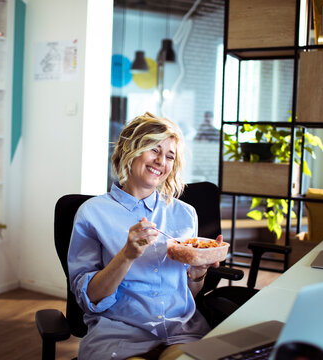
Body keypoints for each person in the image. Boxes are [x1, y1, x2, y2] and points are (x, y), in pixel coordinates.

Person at [68, 112, 224, 360]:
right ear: (130, 151)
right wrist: (127, 256)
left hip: (180, 332)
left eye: (170, 156)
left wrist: (198, 273)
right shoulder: (92, 213)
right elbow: (89, 299)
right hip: (120, 336)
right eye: (154, 150)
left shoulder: (185, 214)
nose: (162, 161)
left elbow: (187, 294)